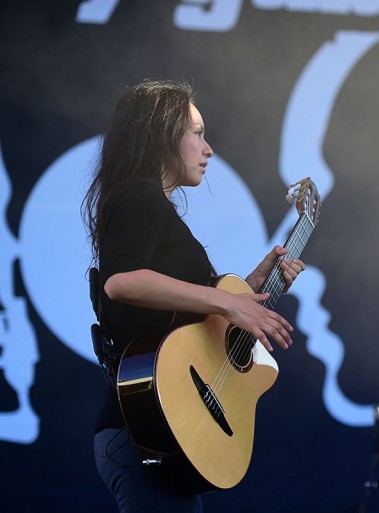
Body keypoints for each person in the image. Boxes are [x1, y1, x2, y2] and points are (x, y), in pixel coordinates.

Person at [82, 79, 305, 512]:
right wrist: (227, 301)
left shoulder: (150, 204)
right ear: (160, 133)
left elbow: (191, 318)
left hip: (164, 429)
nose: (209, 148)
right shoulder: (138, 196)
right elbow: (121, 281)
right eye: (198, 133)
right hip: (143, 430)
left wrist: (254, 284)